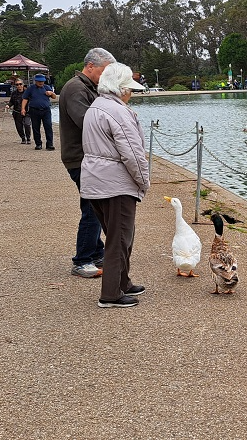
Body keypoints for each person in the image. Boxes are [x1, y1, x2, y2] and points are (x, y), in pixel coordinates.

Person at [80, 62, 149, 308]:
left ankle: (123, 281)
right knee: (119, 239)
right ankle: (110, 294)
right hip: (116, 184)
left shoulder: (95, 107)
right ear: (121, 89)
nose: (130, 94)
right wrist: (144, 181)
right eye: (129, 89)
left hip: (95, 181)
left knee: (117, 235)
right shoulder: (118, 112)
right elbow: (133, 153)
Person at [58, 48, 115, 278]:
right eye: (104, 71)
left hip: (88, 157)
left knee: (96, 206)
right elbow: (89, 123)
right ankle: (82, 260)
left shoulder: (89, 88)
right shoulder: (76, 89)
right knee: (92, 208)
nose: (105, 77)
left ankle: (96, 250)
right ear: (90, 66)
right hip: (81, 158)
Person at [21, 73, 58, 150]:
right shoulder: (31, 88)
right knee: (35, 127)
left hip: (46, 110)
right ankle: (38, 144)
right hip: (34, 110)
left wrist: (51, 93)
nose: (41, 83)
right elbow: (25, 99)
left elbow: (54, 97)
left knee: (48, 127)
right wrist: (23, 109)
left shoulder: (47, 87)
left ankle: (50, 144)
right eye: (39, 81)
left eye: (42, 81)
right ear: (35, 81)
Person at [6, 80, 32, 144]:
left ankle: (28, 138)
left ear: (23, 85)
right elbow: (11, 101)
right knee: (19, 126)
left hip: (27, 112)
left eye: (20, 84)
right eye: (17, 85)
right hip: (17, 112)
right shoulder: (14, 93)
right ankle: (23, 138)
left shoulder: (27, 92)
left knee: (27, 124)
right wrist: (8, 105)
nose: (19, 86)